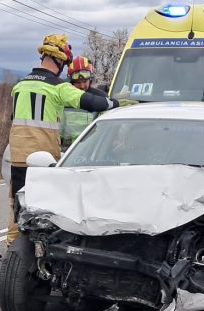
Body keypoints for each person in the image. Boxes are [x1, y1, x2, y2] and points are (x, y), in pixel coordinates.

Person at [6, 35, 120, 244]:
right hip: (44, 157)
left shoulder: (20, 86)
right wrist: (114, 103)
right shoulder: (58, 87)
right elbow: (91, 102)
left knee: (17, 204)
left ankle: (12, 252)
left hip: (18, 157)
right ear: (60, 61)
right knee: (47, 205)